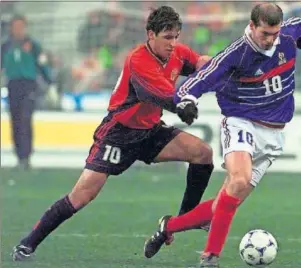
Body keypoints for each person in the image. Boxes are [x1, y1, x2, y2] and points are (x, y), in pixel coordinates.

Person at [144, 3, 301, 267]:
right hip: (242, 123)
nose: (271, 40)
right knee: (238, 179)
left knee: (223, 206)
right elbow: (200, 79)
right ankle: (210, 258)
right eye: (265, 33)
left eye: (275, 33)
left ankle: (168, 226)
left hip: (274, 136)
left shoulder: (287, 34)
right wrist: (186, 100)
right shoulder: (236, 55)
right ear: (252, 26)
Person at [11, 6, 214, 261]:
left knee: (203, 153)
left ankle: (185, 219)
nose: (173, 43)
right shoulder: (138, 59)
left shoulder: (177, 53)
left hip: (149, 131)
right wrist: (179, 104)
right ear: (150, 35)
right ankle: (28, 243)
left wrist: (218, 65)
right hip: (118, 133)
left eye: (176, 37)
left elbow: (200, 64)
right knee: (81, 196)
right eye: (167, 37)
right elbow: (156, 94)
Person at [1, 15, 57, 169]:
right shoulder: (6, 46)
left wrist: (50, 83)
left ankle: (26, 155)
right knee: (15, 120)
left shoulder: (33, 45)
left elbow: (42, 65)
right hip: (12, 85)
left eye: (21, 26)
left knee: (26, 119)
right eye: (15, 26)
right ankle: (19, 155)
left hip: (28, 85)